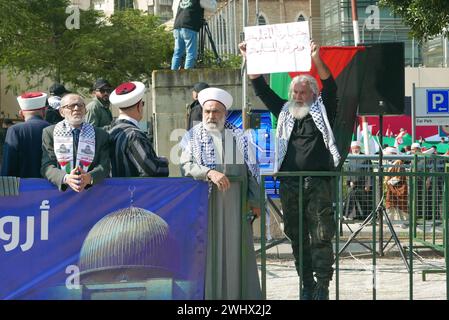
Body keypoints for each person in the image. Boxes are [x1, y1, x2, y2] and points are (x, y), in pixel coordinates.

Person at [239, 40, 339, 300]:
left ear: (313, 94)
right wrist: (251, 58)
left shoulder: (323, 110)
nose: (297, 96)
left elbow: (331, 87)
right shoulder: (284, 111)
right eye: (294, 92)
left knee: (320, 235)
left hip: (318, 182)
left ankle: (322, 286)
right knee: (296, 235)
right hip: (289, 183)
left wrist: (316, 58)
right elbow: (261, 88)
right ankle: (306, 284)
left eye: (302, 92)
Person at [180, 87, 261, 300]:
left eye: (216, 111)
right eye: (207, 111)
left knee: (237, 254)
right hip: (205, 207)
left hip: (235, 207)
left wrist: (255, 201)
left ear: (224, 114)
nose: (211, 116)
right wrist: (208, 172)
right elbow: (186, 165)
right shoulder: (192, 137)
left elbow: (253, 170)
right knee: (207, 254)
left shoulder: (239, 137)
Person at [41, 93, 110, 192]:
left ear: (85, 110)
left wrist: (89, 177)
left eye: (80, 105)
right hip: (61, 193)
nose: (77, 108)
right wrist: (66, 178)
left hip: (92, 192)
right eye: (71, 106)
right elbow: (47, 166)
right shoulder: (49, 133)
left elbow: (105, 166)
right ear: (61, 112)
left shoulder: (100, 135)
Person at [108, 81, 169, 177]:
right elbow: (153, 170)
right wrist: (163, 161)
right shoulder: (134, 135)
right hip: (132, 191)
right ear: (139, 106)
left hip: (115, 191)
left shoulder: (112, 131)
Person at [1, 93, 50, 177]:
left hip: (22, 187)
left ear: (21, 113)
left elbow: (8, 163)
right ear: (44, 111)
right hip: (51, 187)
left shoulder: (15, 130)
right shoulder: (54, 128)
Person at [171, 0, 217, 70]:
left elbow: (174, 9)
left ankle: (172, 74)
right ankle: (187, 75)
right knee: (191, 53)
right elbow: (213, 7)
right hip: (189, 26)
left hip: (177, 26)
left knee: (177, 53)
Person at [345, 141, 372, 219]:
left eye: (356, 148)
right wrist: (349, 181)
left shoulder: (365, 158)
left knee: (363, 202)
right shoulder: (351, 158)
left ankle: (364, 217)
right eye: (353, 148)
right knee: (350, 200)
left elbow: (369, 172)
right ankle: (349, 215)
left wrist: (368, 184)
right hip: (352, 185)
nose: (355, 150)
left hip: (362, 185)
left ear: (359, 148)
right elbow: (349, 171)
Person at [383, 147, 408, 228]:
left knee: (400, 205)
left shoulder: (398, 162)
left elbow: (399, 177)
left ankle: (402, 222)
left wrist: (388, 182)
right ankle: (390, 221)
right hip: (392, 187)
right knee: (390, 203)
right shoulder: (390, 162)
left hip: (399, 187)